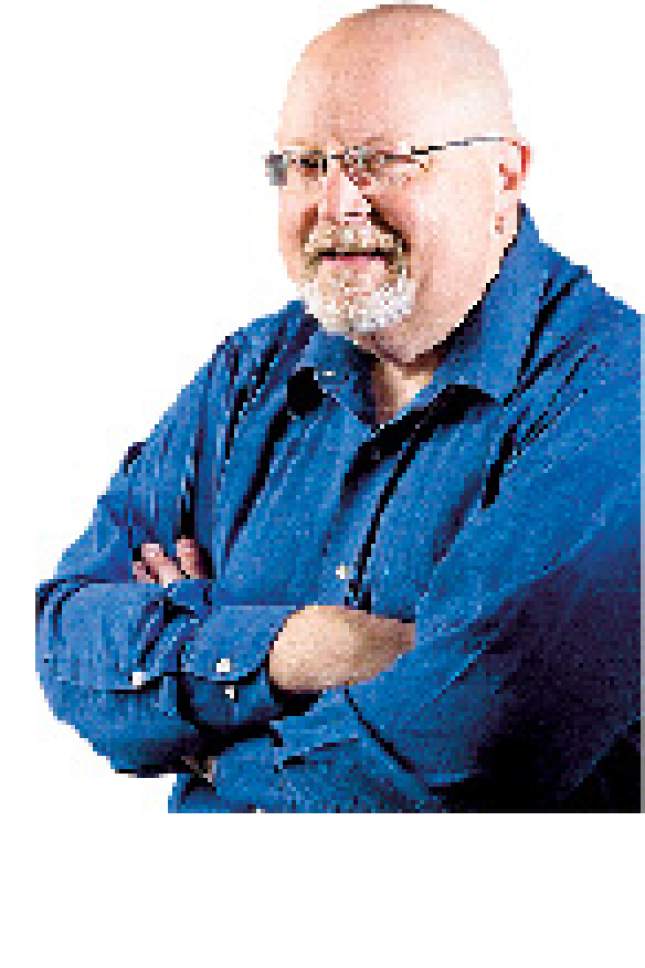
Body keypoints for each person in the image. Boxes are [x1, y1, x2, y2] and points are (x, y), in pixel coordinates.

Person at [36, 4, 640, 812]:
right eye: (305, 163)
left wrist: (217, 755)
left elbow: (482, 745)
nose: (335, 205)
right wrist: (300, 648)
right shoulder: (248, 376)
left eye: (382, 161)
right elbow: (68, 644)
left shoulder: (614, 397)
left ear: (504, 177)